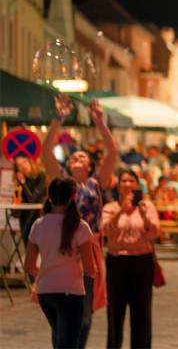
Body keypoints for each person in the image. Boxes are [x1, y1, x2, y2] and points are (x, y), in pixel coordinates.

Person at [42, 94, 116, 347]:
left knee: (84, 313)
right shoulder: (61, 182)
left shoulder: (97, 182)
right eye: (74, 156)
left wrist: (100, 122)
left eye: (82, 156)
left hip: (88, 250)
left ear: (90, 164)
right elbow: (45, 152)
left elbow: (112, 151)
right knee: (60, 311)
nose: (77, 158)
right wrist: (58, 119)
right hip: (61, 247)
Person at [25, 178, 96, 349]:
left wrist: (44, 274)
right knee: (68, 343)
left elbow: (29, 266)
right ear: (73, 198)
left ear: (49, 197)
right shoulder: (80, 226)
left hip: (45, 292)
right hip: (71, 292)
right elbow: (90, 268)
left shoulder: (38, 225)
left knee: (60, 340)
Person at [101, 168, 160, 349]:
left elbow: (154, 233)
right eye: (123, 181)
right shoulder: (110, 208)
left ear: (137, 185)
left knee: (141, 315)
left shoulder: (147, 207)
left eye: (131, 181)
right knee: (114, 314)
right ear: (118, 185)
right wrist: (120, 211)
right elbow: (104, 230)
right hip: (116, 263)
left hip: (141, 263)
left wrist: (142, 215)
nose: (127, 184)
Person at [13, 155, 47, 244]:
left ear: (30, 162)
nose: (23, 166)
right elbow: (20, 200)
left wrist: (23, 183)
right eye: (19, 165)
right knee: (26, 243)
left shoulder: (41, 175)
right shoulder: (22, 180)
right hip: (25, 216)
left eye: (24, 162)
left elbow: (33, 199)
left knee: (38, 245)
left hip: (38, 215)